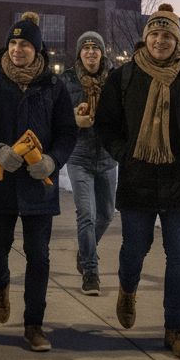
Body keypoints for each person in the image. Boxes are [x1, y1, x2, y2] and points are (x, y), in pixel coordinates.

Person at [95, 4, 180, 360]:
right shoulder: (125, 77)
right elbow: (106, 124)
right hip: (138, 180)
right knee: (135, 249)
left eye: (168, 35)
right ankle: (128, 288)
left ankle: (175, 330)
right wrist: (124, 153)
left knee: (179, 256)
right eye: (155, 34)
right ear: (145, 38)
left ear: (178, 40)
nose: (161, 40)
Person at [0, 11, 78, 352]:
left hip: (37, 185)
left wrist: (52, 161)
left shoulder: (53, 87)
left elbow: (66, 133)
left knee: (39, 256)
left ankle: (34, 324)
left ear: (38, 50)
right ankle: (1, 284)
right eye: (13, 43)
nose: (18, 50)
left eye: (25, 44)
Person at [61, 31, 118, 296]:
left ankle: (85, 250)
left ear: (103, 53)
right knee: (87, 215)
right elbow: (58, 117)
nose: (91, 52)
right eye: (86, 48)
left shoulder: (114, 80)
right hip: (79, 156)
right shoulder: (68, 80)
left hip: (107, 156)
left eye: (96, 47)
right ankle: (90, 272)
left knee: (106, 214)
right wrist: (73, 118)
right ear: (79, 53)